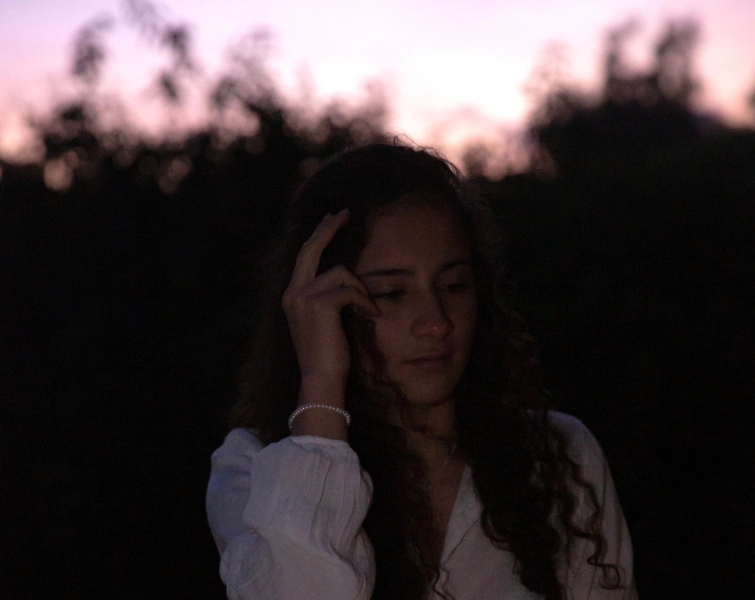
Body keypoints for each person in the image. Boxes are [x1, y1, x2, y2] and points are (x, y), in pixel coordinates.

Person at [206, 143, 637, 600]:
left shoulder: (560, 458)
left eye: (454, 285)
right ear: (320, 305)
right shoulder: (252, 471)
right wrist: (321, 383)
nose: (436, 322)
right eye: (392, 293)